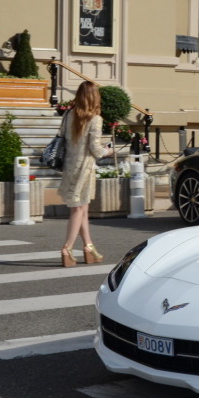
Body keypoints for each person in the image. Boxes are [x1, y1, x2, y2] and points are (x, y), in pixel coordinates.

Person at [58, 81, 113, 266]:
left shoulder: (68, 115)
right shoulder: (95, 119)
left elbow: (62, 138)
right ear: (94, 97)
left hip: (70, 166)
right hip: (85, 169)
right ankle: (67, 248)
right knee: (78, 209)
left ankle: (89, 246)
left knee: (83, 209)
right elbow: (96, 150)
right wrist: (109, 151)